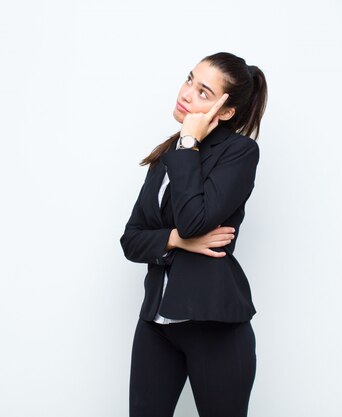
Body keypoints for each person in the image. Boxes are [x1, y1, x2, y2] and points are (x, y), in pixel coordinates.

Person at [120, 52, 268, 417]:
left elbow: (193, 221)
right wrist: (176, 240)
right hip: (156, 323)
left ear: (226, 111)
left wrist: (188, 144)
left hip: (214, 325)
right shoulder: (167, 156)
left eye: (203, 92)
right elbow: (132, 239)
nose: (187, 94)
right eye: (189, 80)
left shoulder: (239, 152)